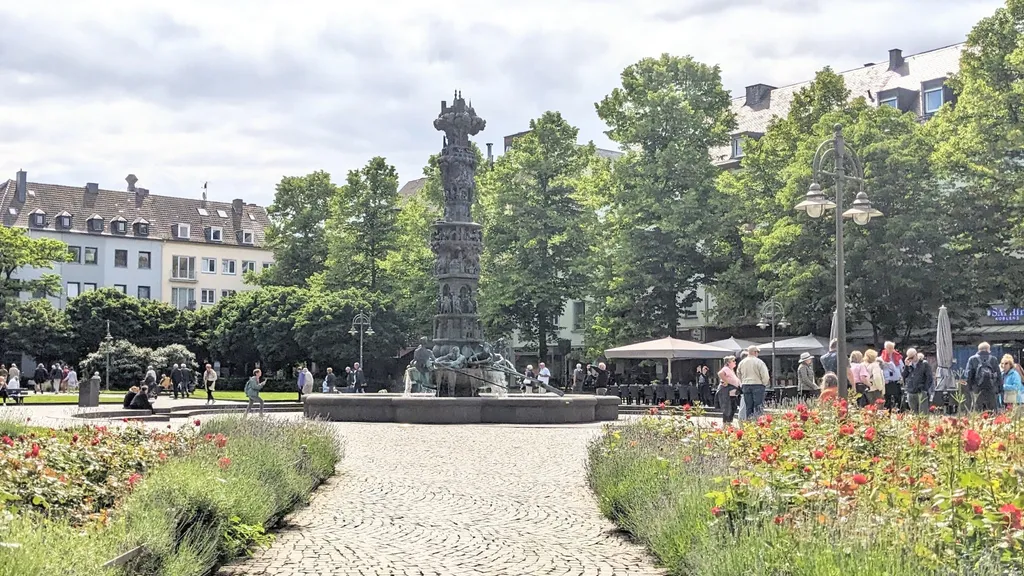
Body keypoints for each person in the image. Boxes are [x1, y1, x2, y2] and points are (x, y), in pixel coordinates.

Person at [965, 342, 1002, 412]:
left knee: (977, 411)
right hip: (991, 389)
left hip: (977, 389)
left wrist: (970, 388)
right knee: (993, 411)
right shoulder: (994, 359)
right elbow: (999, 375)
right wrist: (999, 389)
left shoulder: (972, 359)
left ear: (979, 349)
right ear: (988, 349)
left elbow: (968, 375)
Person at [737, 346, 770, 419]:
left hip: (745, 385)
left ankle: (749, 422)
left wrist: (743, 382)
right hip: (758, 384)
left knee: (748, 406)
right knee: (758, 406)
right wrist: (764, 383)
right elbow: (765, 375)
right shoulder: (759, 362)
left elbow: (738, 374)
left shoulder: (742, 362)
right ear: (755, 352)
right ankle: (758, 422)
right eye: (757, 352)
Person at [902, 348, 934, 413]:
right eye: (909, 358)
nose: (911, 359)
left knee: (923, 413)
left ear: (916, 355)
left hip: (921, 391)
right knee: (914, 413)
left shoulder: (924, 364)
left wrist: (925, 389)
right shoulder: (909, 365)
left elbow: (929, 378)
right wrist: (906, 366)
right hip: (911, 391)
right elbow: (904, 376)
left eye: (912, 357)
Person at [717, 355, 741, 424]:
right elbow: (720, 373)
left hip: (732, 393)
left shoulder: (731, 370)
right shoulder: (726, 369)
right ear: (728, 363)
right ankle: (727, 423)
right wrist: (726, 381)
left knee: (733, 408)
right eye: (733, 361)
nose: (735, 362)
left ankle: (729, 422)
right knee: (728, 408)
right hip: (728, 393)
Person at [880, 342, 904, 411]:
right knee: (887, 399)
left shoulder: (897, 356)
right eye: (889, 348)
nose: (891, 350)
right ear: (885, 348)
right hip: (887, 382)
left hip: (896, 381)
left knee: (898, 398)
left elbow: (902, 368)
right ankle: (888, 413)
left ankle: (899, 413)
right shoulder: (881, 358)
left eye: (892, 348)